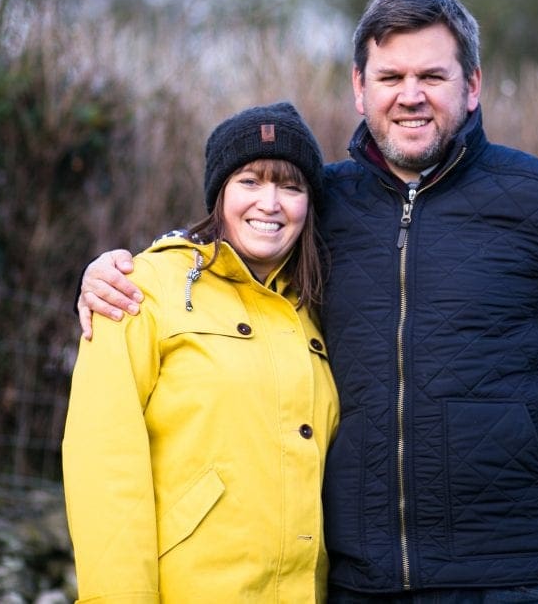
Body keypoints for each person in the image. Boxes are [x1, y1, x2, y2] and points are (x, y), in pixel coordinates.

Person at [76, 0, 538, 603]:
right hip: (364, 577)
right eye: (389, 77)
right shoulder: (324, 203)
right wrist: (118, 270)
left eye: (432, 75)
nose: (410, 96)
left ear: (473, 85)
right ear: (359, 88)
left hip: (516, 572)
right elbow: (235, 253)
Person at [63, 101, 340, 602]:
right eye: (250, 181)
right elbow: (103, 466)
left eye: (291, 186)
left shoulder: (316, 311)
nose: (270, 202)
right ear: (219, 194)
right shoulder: (139, 289)